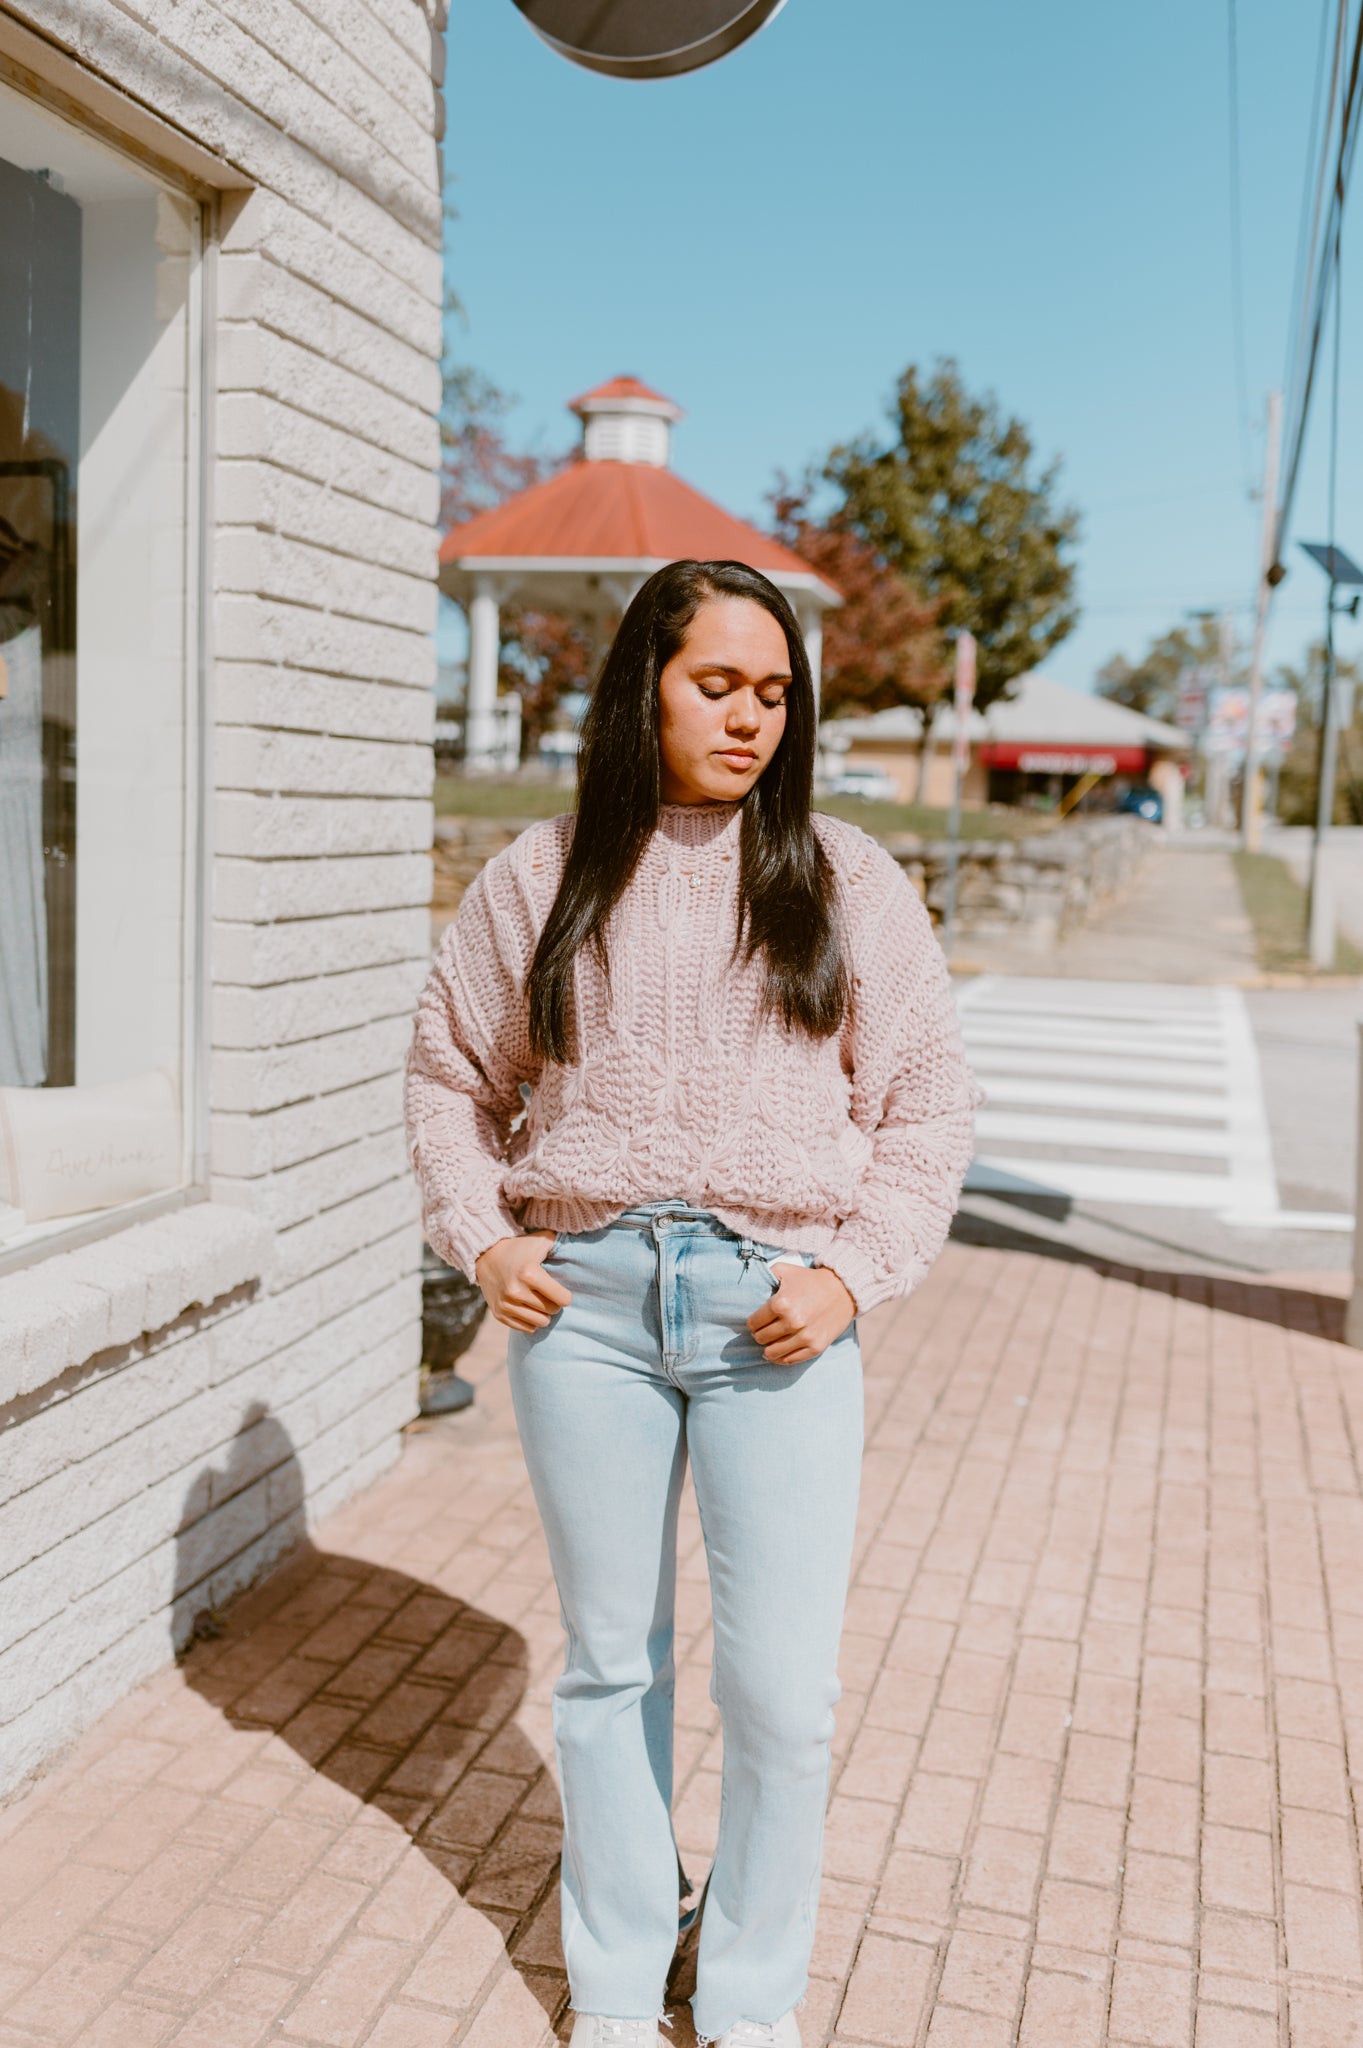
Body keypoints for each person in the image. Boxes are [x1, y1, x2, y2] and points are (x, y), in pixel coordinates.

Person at [405, 559, 977, 2048]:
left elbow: (925, 1108)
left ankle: (748, 1998)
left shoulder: (845, 876)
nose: (749, 718)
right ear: (640, 688)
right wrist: (481, 1238)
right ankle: (609, 1983)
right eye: (716, 684)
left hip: (771, 1312)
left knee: (784, 1691)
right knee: (609, 1667)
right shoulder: (539, 876)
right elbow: (450, 1078)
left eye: (774, 692)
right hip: (581, 1312)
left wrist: (852, 1274)